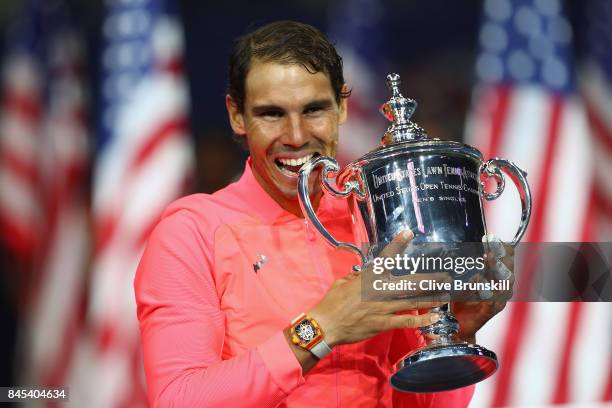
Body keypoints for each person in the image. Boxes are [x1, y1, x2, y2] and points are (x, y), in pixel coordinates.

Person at [134, 20, 513, 407]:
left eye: (314, 109)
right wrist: (320, 329)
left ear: (342, 107)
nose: (296, 135)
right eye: (271, 114)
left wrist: (458, 335)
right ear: (237, 115)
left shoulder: (376, 217)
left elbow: (420, 401)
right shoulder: (192, 231)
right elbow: (178, 399)